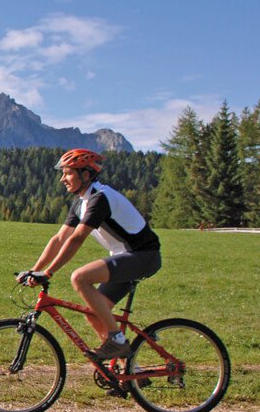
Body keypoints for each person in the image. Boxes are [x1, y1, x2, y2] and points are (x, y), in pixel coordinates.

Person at [17, 148, 161, 361]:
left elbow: (76, 239)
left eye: (67, 173)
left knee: (80, 278)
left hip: (142, 256)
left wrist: (48, 273)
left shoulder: (99, 199)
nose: (62, 179)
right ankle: (131, 374)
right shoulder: (81, 202)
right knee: (93, 315)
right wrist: (34, 270)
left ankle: (117, 340)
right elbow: (59, 239)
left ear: (85, 174)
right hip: (124, 256)